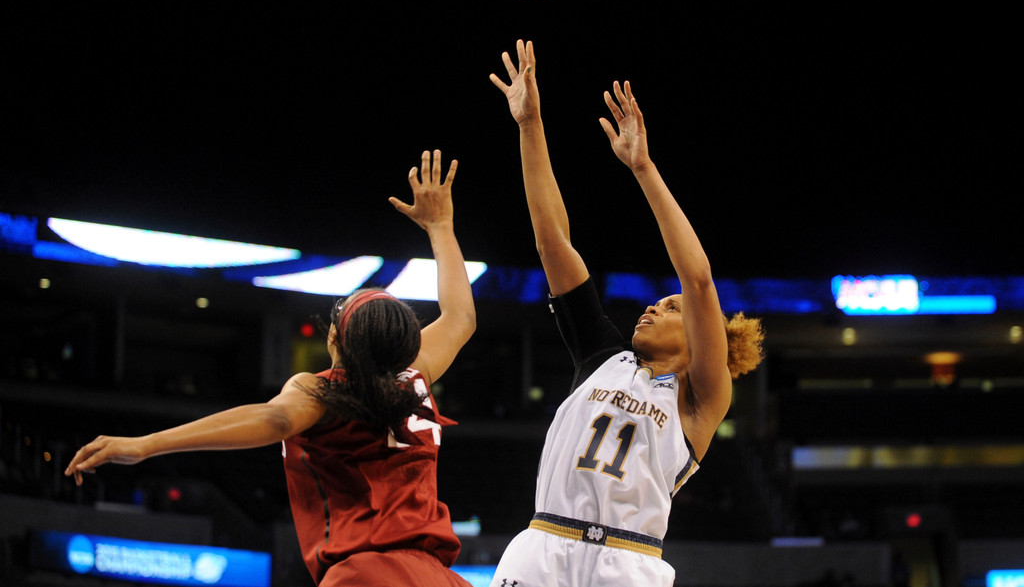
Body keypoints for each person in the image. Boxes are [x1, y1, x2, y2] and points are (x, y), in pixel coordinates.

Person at [65, 150, 477, 587]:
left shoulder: (321, 392)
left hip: (366, 574)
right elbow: (460, 318)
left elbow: (273, 417)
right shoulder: (416, 378)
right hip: (439, 577)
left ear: (335, 338)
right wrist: (441, 228)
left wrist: (147, 444)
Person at [488, 40, 765, 587]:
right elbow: (554, 244)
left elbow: (699, 280)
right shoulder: (602, 358)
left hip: (628, 560)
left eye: (668, 308)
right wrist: (531, 124)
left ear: (697, 333)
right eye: (656, 302)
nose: (650, 307)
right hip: (543, 545)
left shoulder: (700, 398)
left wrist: (643, 167)